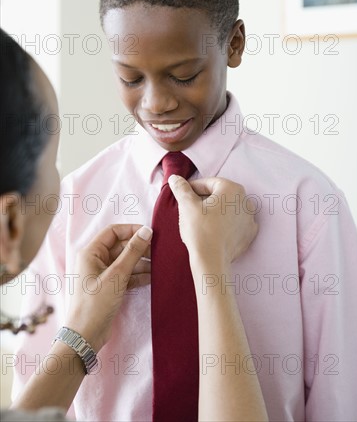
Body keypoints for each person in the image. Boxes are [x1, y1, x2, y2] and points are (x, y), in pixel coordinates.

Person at [12, 0, 357, 421]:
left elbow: (341, 398)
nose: (156, 102)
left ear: (234, 45)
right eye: (129, 77)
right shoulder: (74, 203)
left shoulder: (310, 204)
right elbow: (36, 399)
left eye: (184, 75)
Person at [1, 28, 267, 421]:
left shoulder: (306, 196)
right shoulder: (81, 196)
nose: (157, 103)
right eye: (52, 160)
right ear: (10, 224)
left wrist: (83, 332)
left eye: (185, 73)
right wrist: (212, 269)